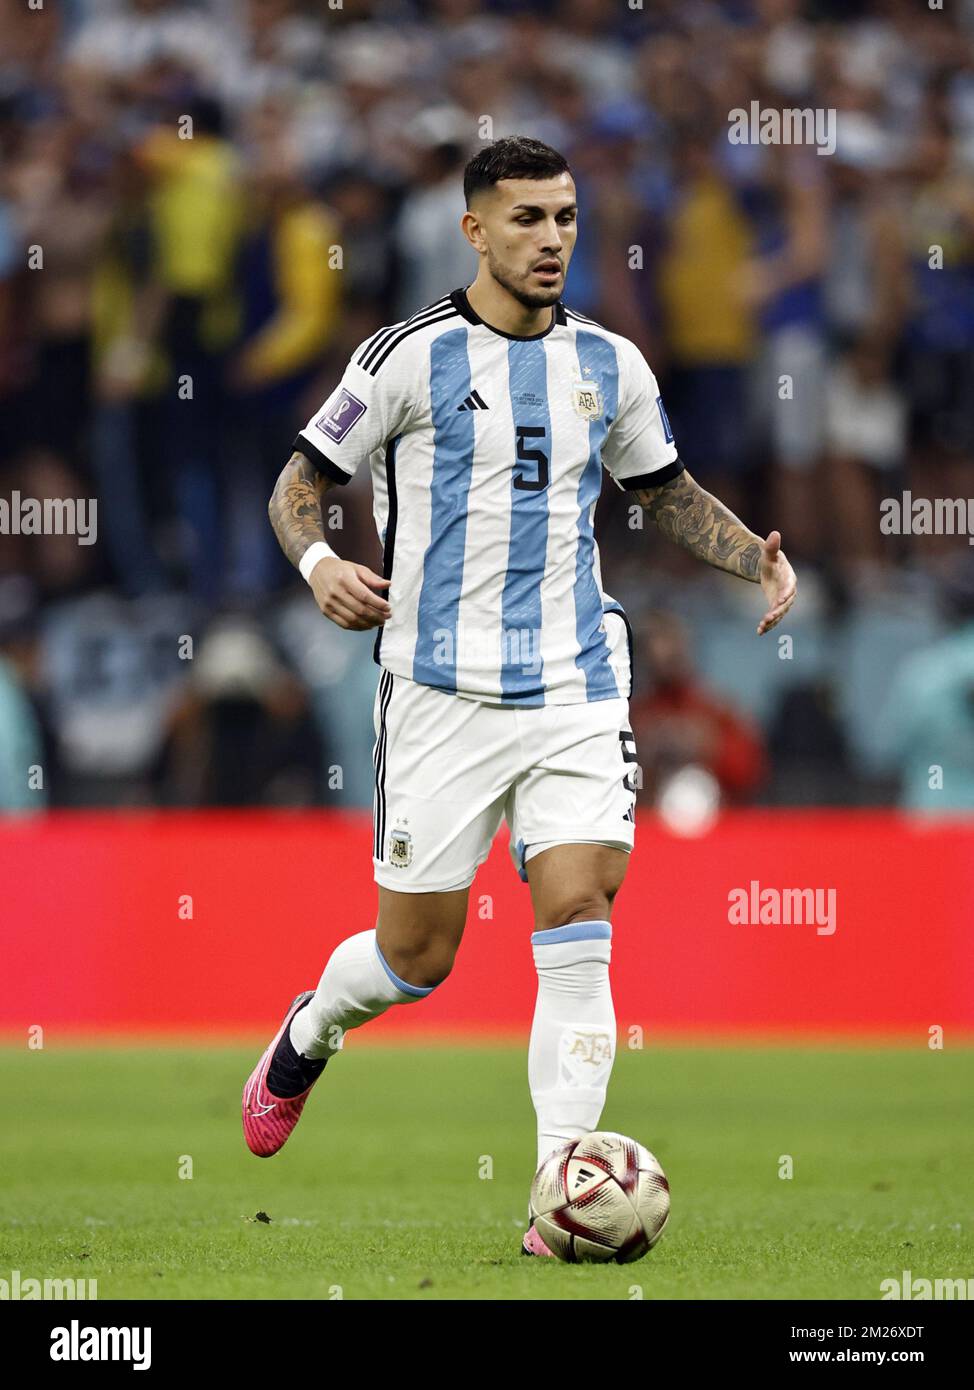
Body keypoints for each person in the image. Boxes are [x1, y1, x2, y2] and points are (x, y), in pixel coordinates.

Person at [242, 136, 797, 1257]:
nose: (551, 239)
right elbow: (298, 484)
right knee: (417, 959)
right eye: (528, 220)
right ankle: (309, 1030)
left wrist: (757, 560)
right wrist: (318, 567)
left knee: (579, 913)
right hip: (438, 691)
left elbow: (667, 491)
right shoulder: (403, 357)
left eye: (564, 218)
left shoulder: (612, 363)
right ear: (474, 232)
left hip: (576, 682)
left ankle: (561, 1183)